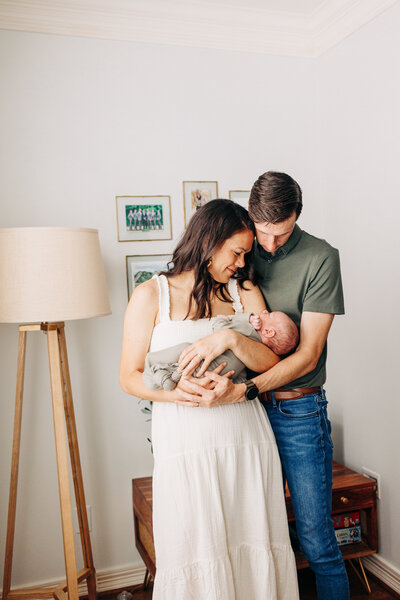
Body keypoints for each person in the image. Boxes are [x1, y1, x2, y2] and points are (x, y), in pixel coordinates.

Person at [177, 173, 349, 600]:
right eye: (262, 233)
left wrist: (249, 389)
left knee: (316, 538)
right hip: (238, 415)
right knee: (251, 531)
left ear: (297, 217)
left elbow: (307, 355)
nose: (269, 245)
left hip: (296, 410)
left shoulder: (321, 257)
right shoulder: (239, 251)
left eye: (282, 233)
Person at [120, 199, 299, 600]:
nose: (241, 262)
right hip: (186, 442)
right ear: (209, 241)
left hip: (244, 435)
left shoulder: (245, 292)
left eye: (245, 254)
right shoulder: (151, 296)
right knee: (194, 543)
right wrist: (173, 392)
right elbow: (128, 377)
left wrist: (232, 337)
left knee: (251, 535)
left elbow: (270, 360)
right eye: (236, 251)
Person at [142, 309, 298, 391]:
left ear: (269, 332)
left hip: (204, 366)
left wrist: (244, 318)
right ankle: (164, 377)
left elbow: (219, 327)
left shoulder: (249, 331)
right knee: (179, 370)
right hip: (212, 376)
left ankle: (156, 373)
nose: (264, 312)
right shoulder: (255, 350)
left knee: (177, 353)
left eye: (269, 314)